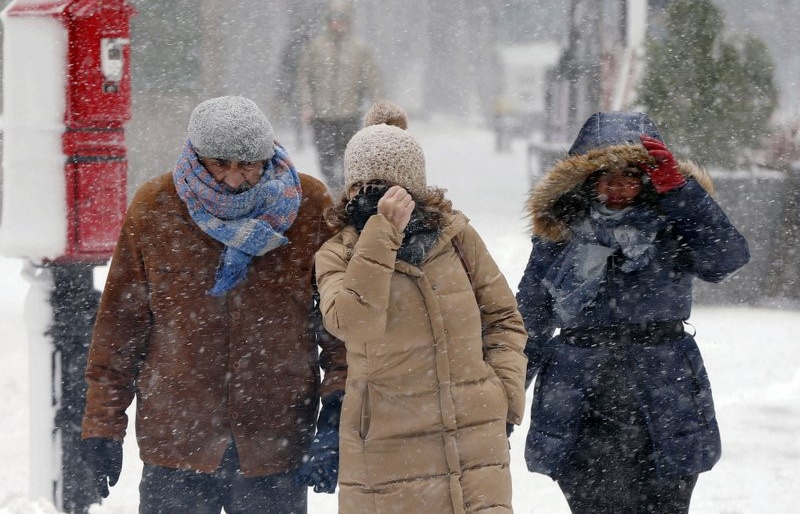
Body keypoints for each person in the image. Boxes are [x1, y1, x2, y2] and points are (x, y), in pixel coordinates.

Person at [80, 95, 348, 514]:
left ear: (268, 154)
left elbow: (338, 325)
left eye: (248, 165)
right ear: (197, 155)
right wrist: (103, 425)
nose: (234, 180)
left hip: (273, 437)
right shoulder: (155, 207)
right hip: (177, 439)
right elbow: (120, 327)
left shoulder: (308, 206)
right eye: (219, 164)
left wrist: (337, 411)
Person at [516, 111, 750, 513]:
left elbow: (726, 258)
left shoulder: (674, 223)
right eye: (606, 175)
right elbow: (532, 318)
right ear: (586, 181)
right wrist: (502, 398)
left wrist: (683, 196)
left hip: (665, 390)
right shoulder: (561, 232)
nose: (618, 185)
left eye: (631, 174)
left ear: (649, 178)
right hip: (579, 397)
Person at [307, 105, 528, 512]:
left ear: (413, 188)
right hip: (387, 449)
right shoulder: (337, 253)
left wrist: (503, 395)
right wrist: (382, 233)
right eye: (362, 185)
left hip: (472, 445)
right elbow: (354, 323)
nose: (370, 196)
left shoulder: (457, 238)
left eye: (385, 185)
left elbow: (503, 319)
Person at [296, 0, 384, 192]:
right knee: (325, 159)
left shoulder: (359, 49)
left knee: (347, 158)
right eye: (333, 19)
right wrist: (306, 105)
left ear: (348, 21)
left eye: (341, 19)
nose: (337, 24)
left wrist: (378, 108)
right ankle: (334, 190)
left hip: (349, 114)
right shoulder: (316, 47)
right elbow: (304, 78)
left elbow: (372, 80)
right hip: (322, 116)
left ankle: (345, 194)